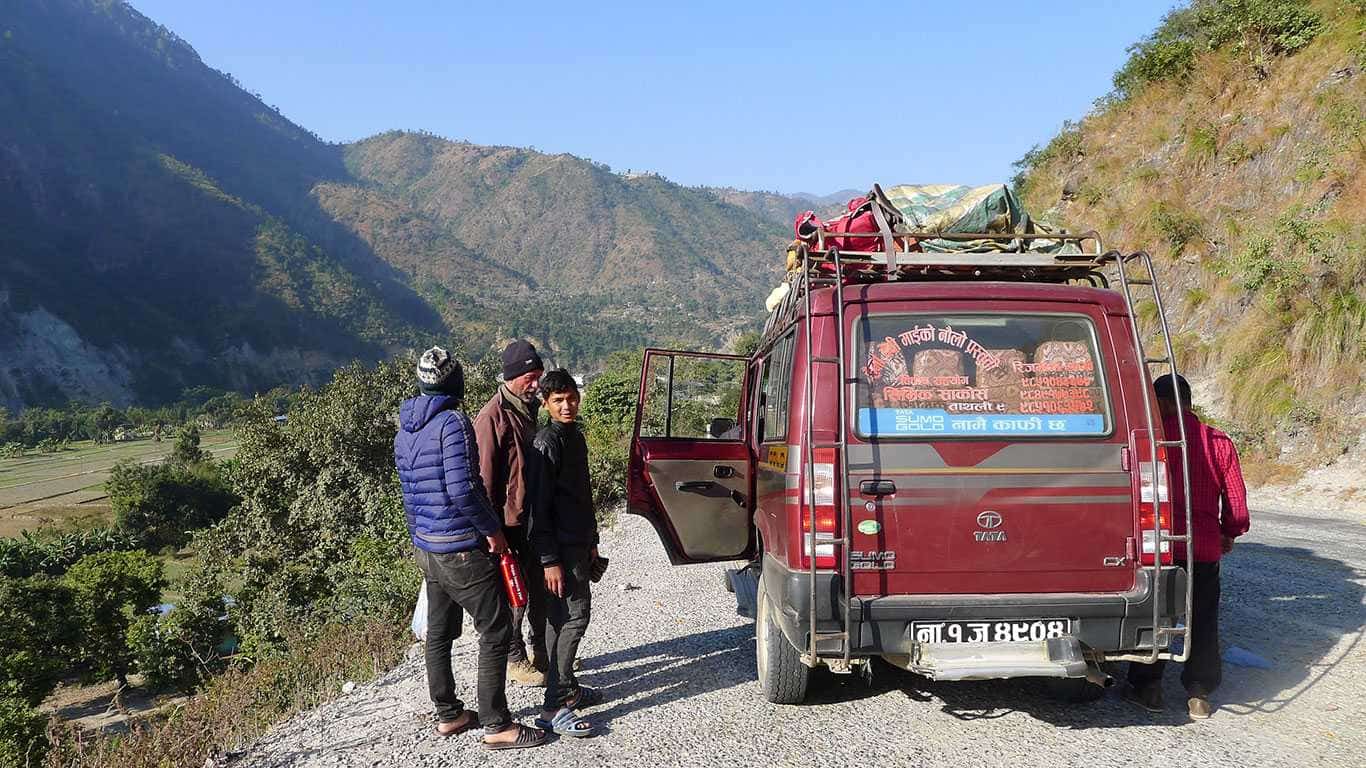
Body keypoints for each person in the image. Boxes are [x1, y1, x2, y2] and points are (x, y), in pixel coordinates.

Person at [394, 346, 546, 750]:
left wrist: (420, 538)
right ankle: (497, 724)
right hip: (459, 545)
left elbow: (410, 493)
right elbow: (464, 488)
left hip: (426, 547)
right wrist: (492, 530)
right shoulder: (453, 422)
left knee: (440, 633)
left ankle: (449, 714)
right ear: (454, 381)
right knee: (495, 628)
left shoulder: (406, 427)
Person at [1124, 373, 1250, 719]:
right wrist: (1230, 532)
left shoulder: (1151, 441)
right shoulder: (1218, 442)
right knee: (1203, 619)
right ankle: (1199, 694)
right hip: (1204, 549)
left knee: (1156, 616)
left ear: (1161, 403)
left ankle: (1147, 687)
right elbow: (1237, 503)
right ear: (1189, 402)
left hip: (1159, 547)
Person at [528, 369, 602, 737]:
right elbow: (538, 509)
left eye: (571, 397)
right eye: (558, 400)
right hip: (558, 549)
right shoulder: (547, 443)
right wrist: (549, 560)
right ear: (545, 404)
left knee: (562, 619)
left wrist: (593, 539)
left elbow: (582, 495)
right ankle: (554, 706)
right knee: (573, 618)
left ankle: (566, 688)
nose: (567, 405)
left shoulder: (575, 437)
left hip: (577, 544)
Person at [474, 340, 548, 686]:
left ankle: (540, 650)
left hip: (531, 517)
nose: (535, 384)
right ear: (512, 377)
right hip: (508, 523)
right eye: (530, 377)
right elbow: (483, 479)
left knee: (537, 587)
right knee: (513, 593)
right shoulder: (493, 416)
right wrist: (492, 532)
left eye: (539, 376)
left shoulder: (527, 408)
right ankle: (513, 658)